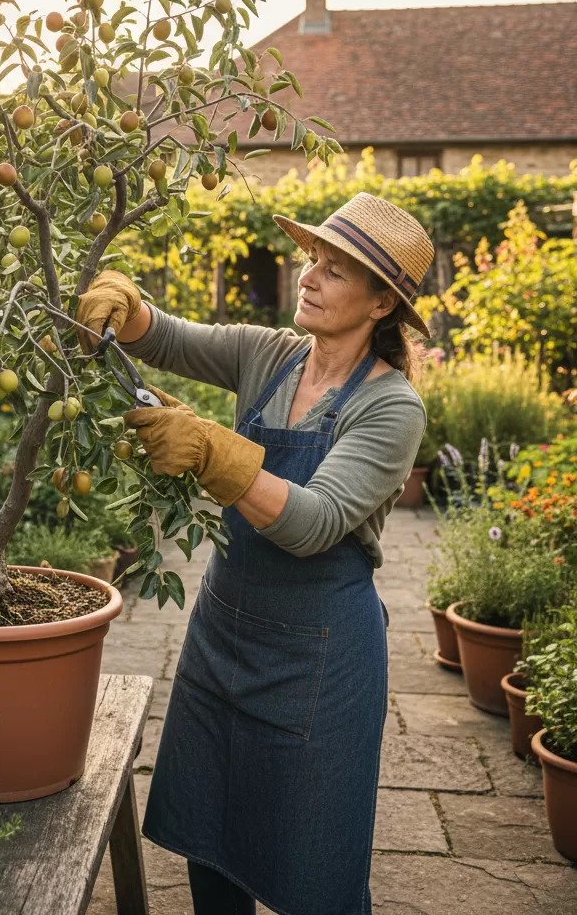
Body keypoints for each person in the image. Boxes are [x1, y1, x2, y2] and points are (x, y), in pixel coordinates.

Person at [76, 192, 434, 915]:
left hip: (321, 661)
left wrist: (212, 448)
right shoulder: (267, 354)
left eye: (338, 271)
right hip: (223, 639)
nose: (311, 276)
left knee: (318, 873)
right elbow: (166, 338)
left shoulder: (391, 406)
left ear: (381, 305)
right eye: (315, 259)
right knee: (214, 848)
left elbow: (315, 521)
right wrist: (125, 300)